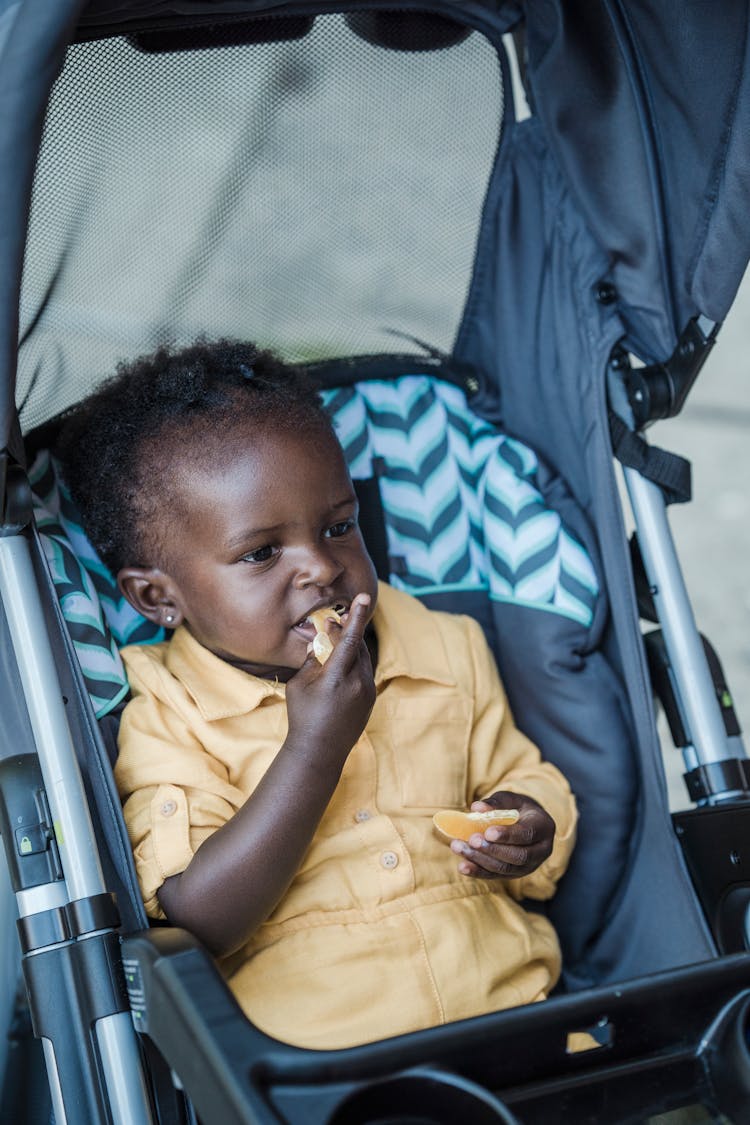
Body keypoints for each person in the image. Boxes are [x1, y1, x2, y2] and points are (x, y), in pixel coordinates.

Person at [57, 339, 577, 1050]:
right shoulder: (167, 711)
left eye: (339, 525)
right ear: (157, 598)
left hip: (517, 1021)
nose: (322, 568)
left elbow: (522, 773)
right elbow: (195, 920)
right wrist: (314, 746)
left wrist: (527, 823)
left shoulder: (443, 645)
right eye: (261, 553)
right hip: (322, 1067)